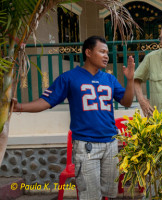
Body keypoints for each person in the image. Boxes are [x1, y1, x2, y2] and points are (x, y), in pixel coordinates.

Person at [12, 36, 135, 200]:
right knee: (89, 196)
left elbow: (126, 102)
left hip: (111, 144)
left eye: (107, 52)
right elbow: (45, 102)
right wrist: (18, 107)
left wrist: (130, 79)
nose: (106, 56)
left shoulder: (109, 79)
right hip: (86, 145)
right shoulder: (69, 78)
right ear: (89, 52)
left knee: (110, 193)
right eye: (102, 51)